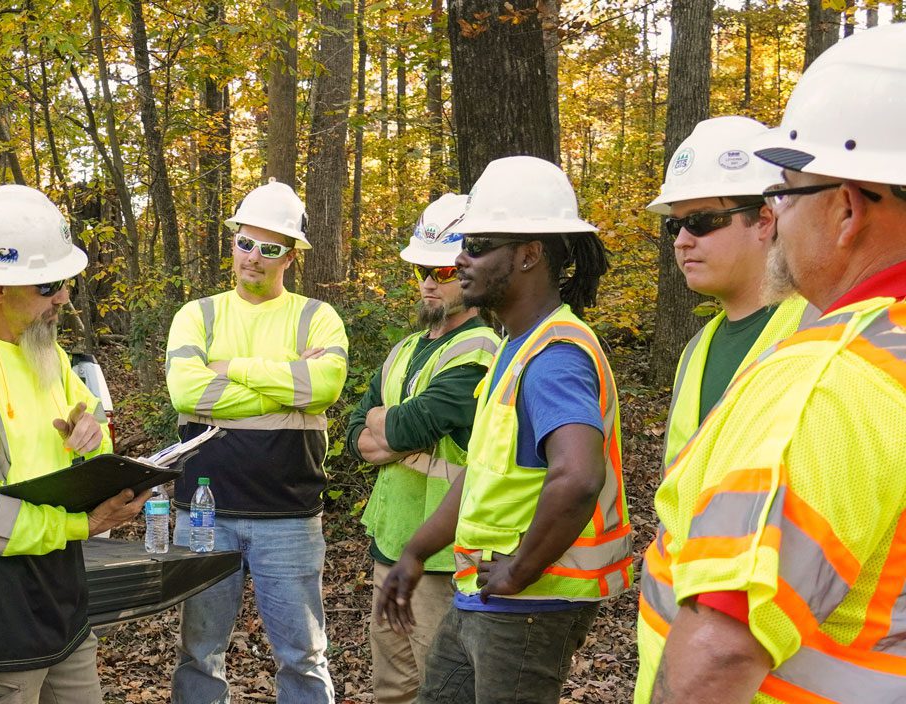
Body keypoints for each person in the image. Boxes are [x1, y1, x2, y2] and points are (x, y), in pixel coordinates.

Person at [634, 24, 906, 703]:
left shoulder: (829, 377)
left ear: (845, 207)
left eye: (786, 191)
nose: (777, 214)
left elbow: (723, 647)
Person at [377, 156, 632, 703]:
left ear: (528, 255)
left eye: (478, 244)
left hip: (530, 603)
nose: (461, 258)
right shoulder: (516, 346)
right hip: (485, 595)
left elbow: (578, 477)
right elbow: (482, 474)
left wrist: (519, 570)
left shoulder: (556, 356)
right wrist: (417, 552)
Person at [0, 184, 147, 703]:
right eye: (48, 285)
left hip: (63, 610)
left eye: (64, 281)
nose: (64, 296)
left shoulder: (47, 353)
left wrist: (94, 436)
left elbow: (91, 434)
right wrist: (82, 525)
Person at [165, 178, 349, 704]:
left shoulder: (317, 316)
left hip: (289, 517)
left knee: (303, 656)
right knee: (199, 653)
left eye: (270, 248)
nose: (254, 256)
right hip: (205, 514)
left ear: (290, 256)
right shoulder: (196, 314)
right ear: (233, 242)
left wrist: (230, 370)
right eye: (246, 242)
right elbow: (185, 388)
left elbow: (324, 388)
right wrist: (286, 387)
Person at [346, 193, 500, 703]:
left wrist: (385, 428)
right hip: (390, 541)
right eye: (421, 271)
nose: (429, 281)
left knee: (441, 687)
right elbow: (354, 431)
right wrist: (380, 429)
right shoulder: (405, 348)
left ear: (469, 272)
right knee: (391, 685)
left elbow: (410, 426)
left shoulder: (480, 350)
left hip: (441, 555)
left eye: (442, 269)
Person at [647, 116, 814, 471]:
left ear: (765, 220)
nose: (681, 241)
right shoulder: (695, 351)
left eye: (701, 221)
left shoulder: (818, 330)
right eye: (674, 225)